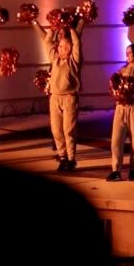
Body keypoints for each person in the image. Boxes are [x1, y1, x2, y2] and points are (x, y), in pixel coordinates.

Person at [34, 17, 84, 171]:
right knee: (56, 129)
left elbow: (77, 44)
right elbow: (47, 42)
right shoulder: (55, 60)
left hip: (69, 97)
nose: (59, 48)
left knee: (68, 129)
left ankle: (71, 158)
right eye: (59, 46)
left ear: (68, 49)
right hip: (55, 97)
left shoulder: (74, 61)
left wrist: (70, 29)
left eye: (62, 46)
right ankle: (62, 156)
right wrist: (53, 29)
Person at [107, 43, 134, 182]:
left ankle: (133, 168)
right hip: (121, 107)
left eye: (130, 52)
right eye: (127, 52)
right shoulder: (123, 69)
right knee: (116, 139)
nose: (128, 55)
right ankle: (116, 170)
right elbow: (116, 84)